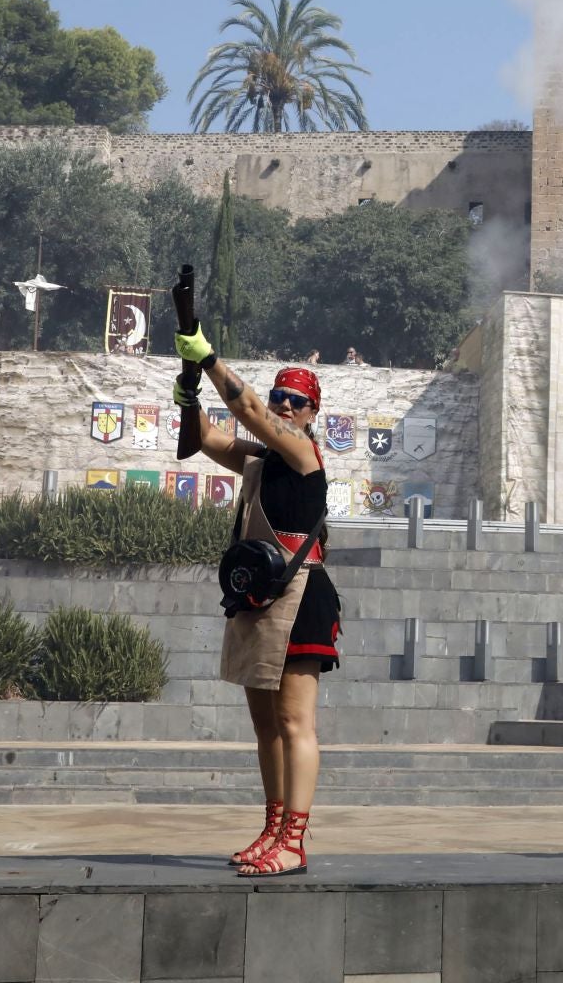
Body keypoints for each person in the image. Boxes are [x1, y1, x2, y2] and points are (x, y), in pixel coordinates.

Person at [175, 328, 340, 877]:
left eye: (297, 401)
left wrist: (211, 359)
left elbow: (243, 407)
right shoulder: (265, 459)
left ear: (312, 413)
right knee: (265, 724)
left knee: (295, 723)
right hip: (260, 595)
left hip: (300, 593)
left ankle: (293, 840)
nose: (285, 407)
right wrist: (188, 392)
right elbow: (208, 439)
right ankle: (272, 829)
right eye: (280, 398)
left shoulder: (302, 453)